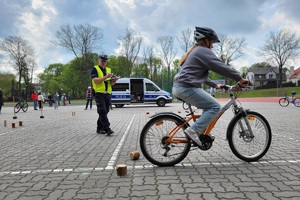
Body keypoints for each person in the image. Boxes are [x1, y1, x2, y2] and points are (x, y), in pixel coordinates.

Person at [172, 27, 249, 147]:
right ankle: (193, 131)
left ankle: (201, 133)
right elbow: (221, 67)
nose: (212, 46)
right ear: (206, 40)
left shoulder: (196, 51)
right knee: (214, 107)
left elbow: (198, 75)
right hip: (187, 87)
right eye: (212, 42)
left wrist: (215, 85)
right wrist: (239, 78)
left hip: (181, 87)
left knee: (208, 107)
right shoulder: (203, 51)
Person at [91, 54, 119, 135]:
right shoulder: (94, 69)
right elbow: (95, 81)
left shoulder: (108, 69)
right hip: (99, 93)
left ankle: (99, 128)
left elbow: (111, 83)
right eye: (102, 61)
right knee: (102, 111)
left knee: (105, 111)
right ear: (98, 60)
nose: (103, 62)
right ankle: (107, 128)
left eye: (105, 61)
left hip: (107, 94)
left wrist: (114, 80)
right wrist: (106, 77)